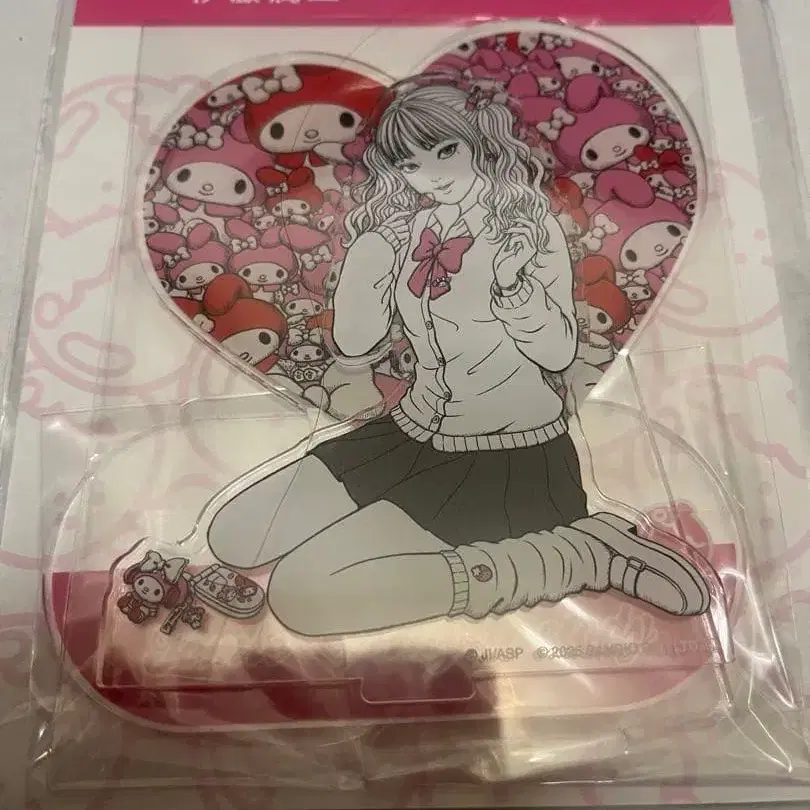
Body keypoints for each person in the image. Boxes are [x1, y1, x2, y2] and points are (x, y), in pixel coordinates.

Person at [206, 82, 711, 637]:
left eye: (446, 151)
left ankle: (582, 554)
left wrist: (514, 291)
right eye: (411, 163)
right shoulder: (408, 232)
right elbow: (354, 345)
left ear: (478, 144)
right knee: (235, 535)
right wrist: (370, 258)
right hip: (406, 436)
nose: (433, 174)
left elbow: (557, 351)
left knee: (304, 595)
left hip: (507, 459)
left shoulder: (527, 226)